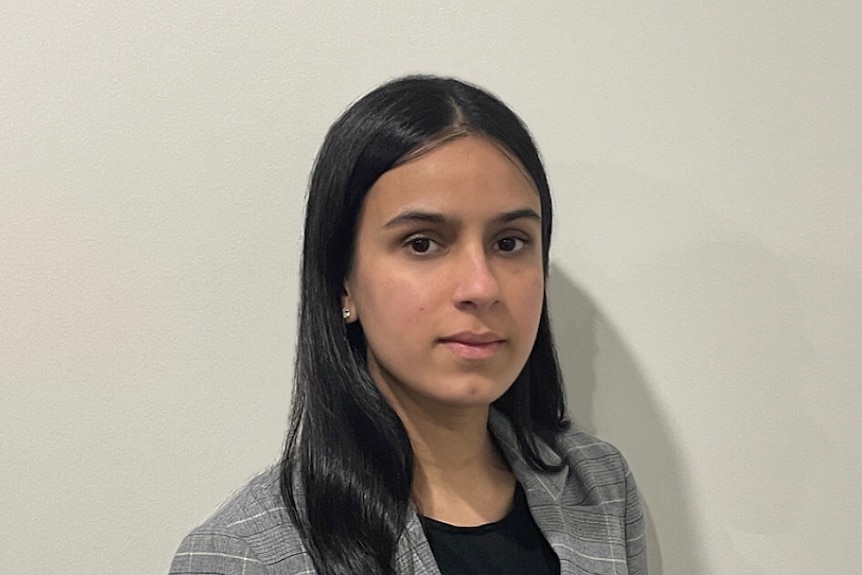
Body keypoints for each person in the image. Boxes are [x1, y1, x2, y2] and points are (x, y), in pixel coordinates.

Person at [169, 75, 647, 575]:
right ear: (343, 282)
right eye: (422, 243)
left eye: (509, 243)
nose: (481, 287)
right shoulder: (247, 554)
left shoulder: (599, 486)